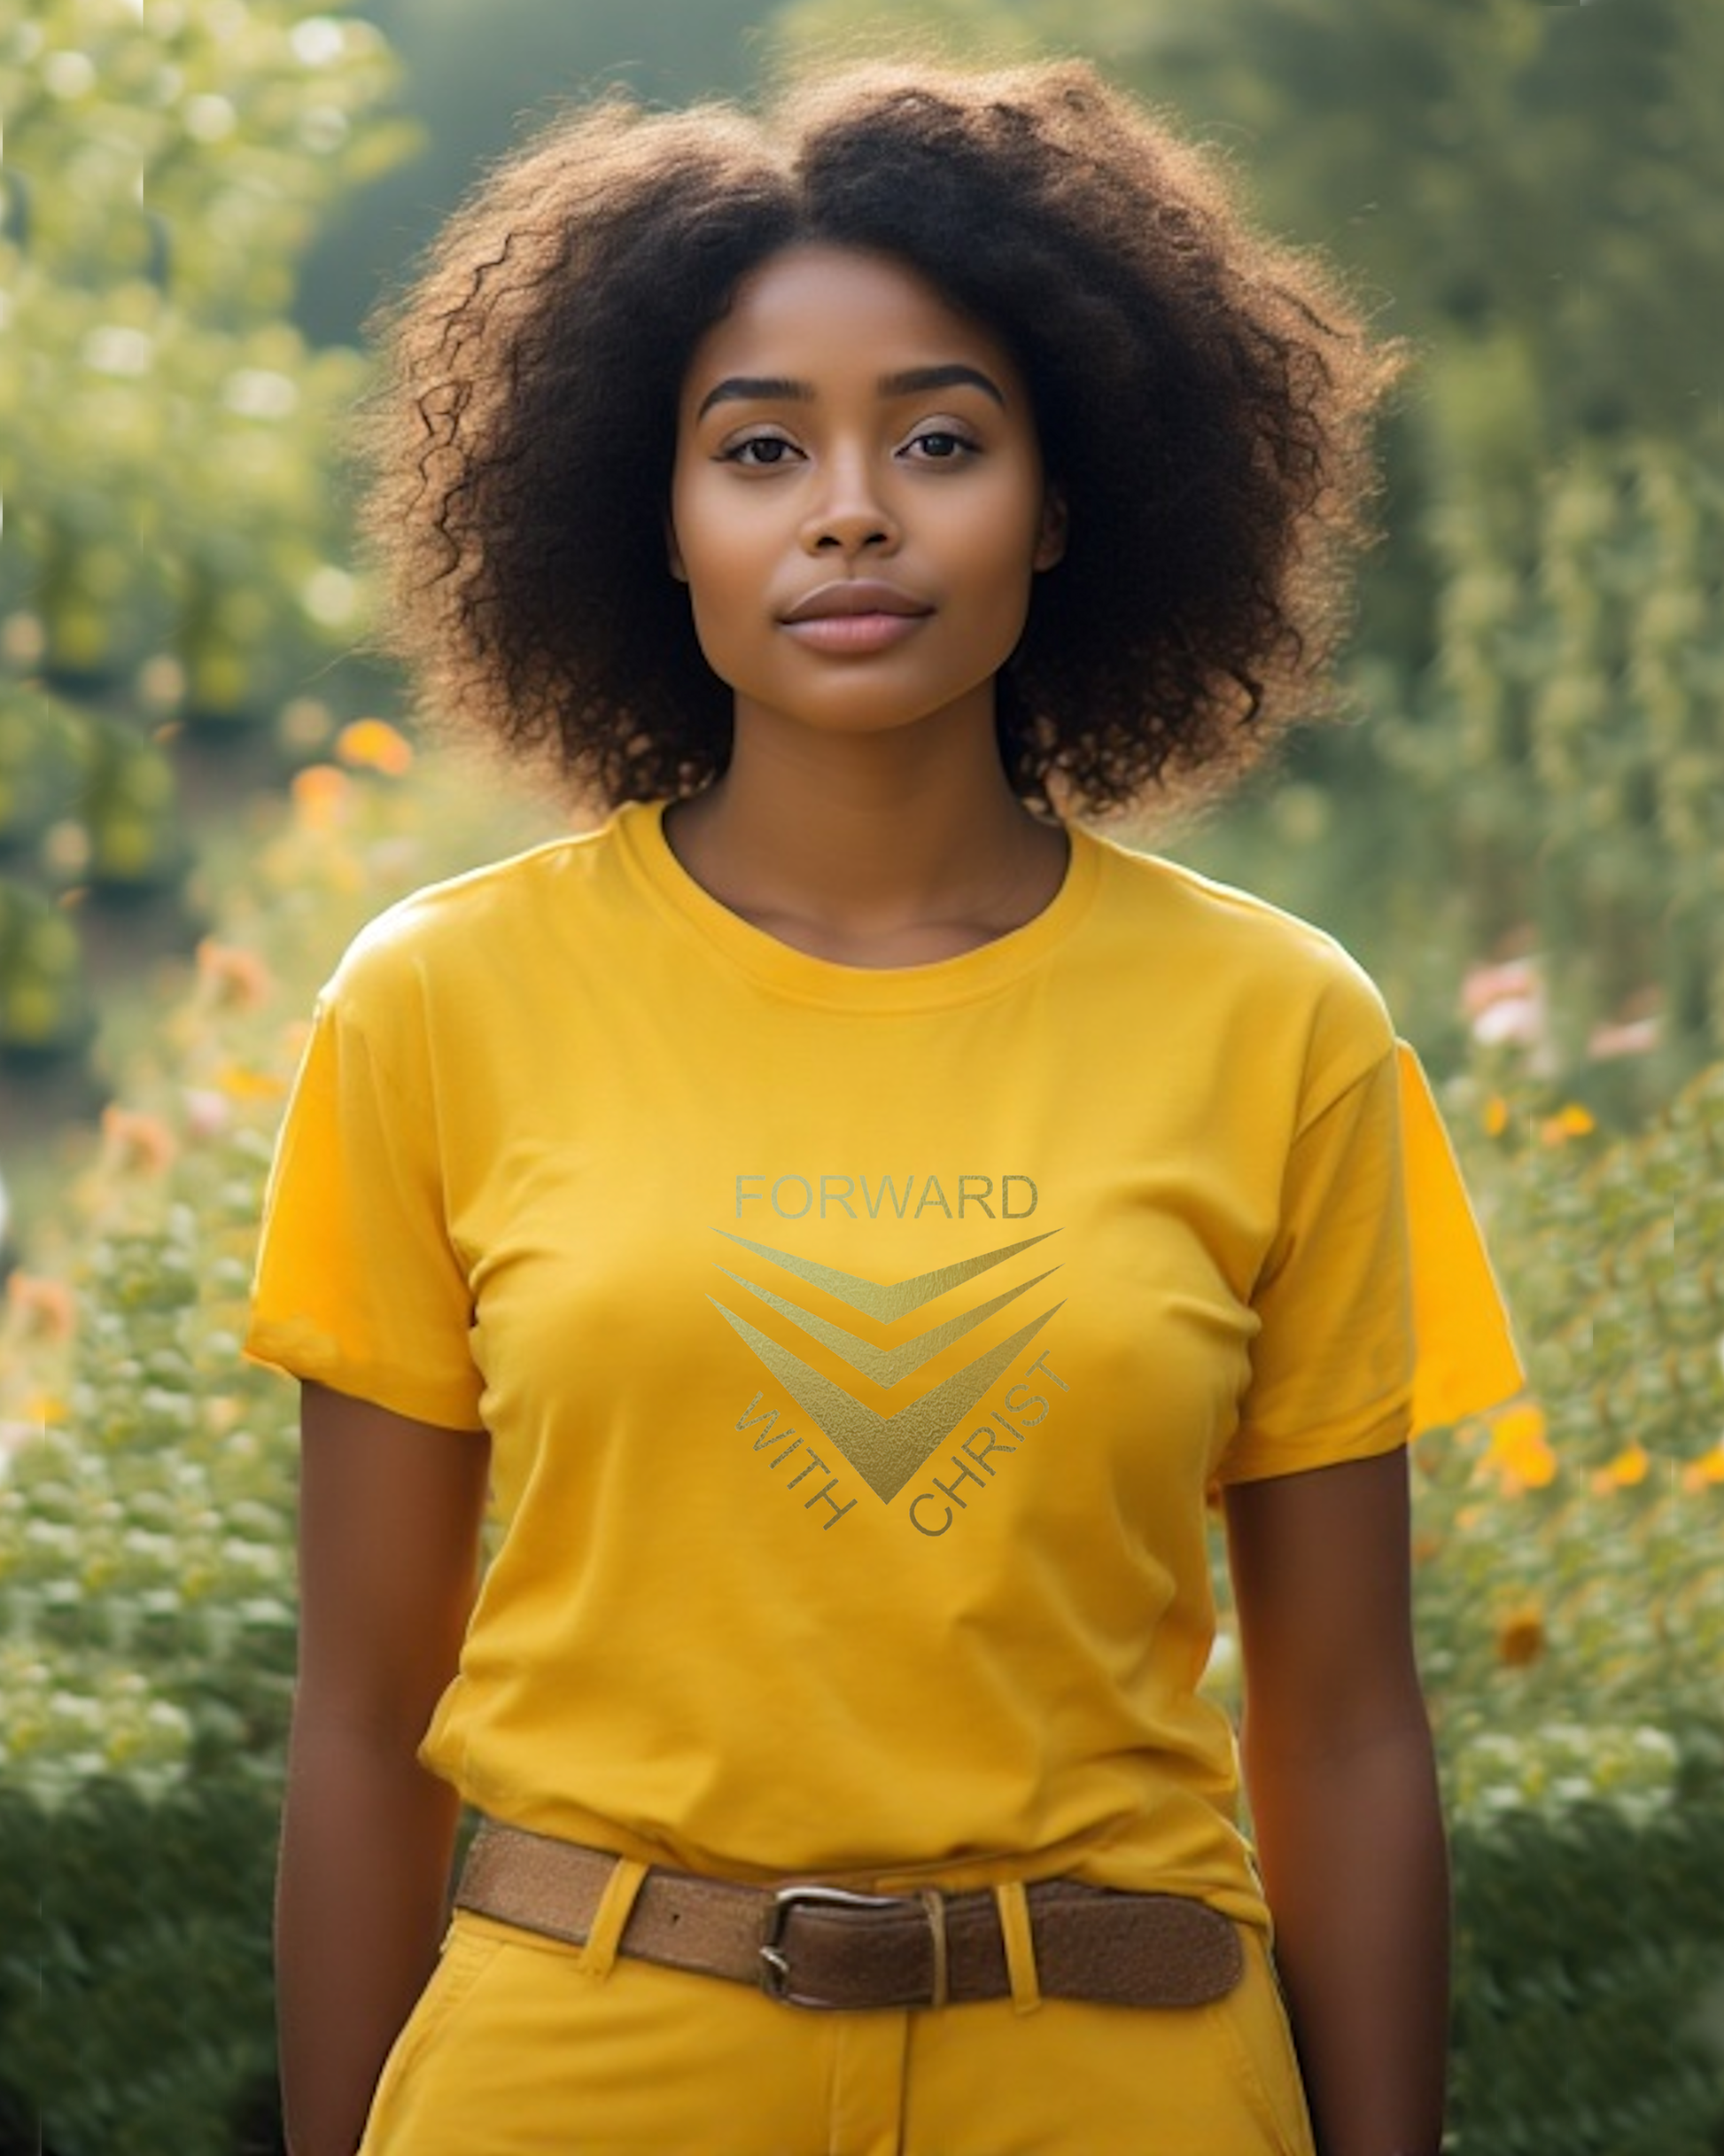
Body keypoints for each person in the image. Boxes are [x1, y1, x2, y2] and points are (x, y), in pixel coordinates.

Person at [246, 56, 1522, 2156]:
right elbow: (366, 1712)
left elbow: (1348, 1722)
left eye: (939, 439)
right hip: (578, 2075)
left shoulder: (1279, 1024)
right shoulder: (438, 1005)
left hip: (1123, 2076)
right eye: (759, 449)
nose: (851, 506)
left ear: (1068, 498)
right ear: (650, 515)